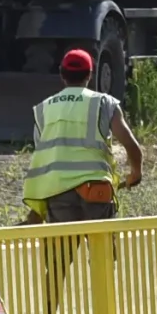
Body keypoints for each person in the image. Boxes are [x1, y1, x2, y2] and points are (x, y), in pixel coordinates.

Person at [24, 46, 142, 223]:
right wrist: (135, 173)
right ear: (89, 75)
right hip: (96, 191)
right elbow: (131, 145)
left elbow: (43, 157)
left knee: (62, 251)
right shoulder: (104, 103)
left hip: (57, 192)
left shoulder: (43, 109)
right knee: (105, 250)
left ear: (62, 75)